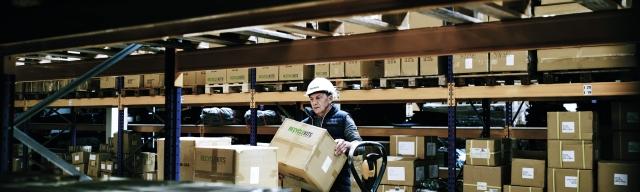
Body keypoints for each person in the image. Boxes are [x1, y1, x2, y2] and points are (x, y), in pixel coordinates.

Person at [302, 77, 362, 192]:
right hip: (310, 185)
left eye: (318, 98)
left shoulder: (343, 118)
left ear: (330, 98)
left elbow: (360, 147)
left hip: (338, 185)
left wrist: (347, 145)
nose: (314, 102)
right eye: (311, 99)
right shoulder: (305, 124)